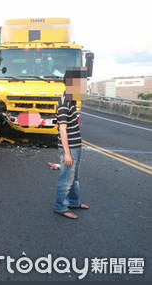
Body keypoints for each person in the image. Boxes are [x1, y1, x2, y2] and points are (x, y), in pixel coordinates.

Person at [54, 67, 89, 219]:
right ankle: (60, 207)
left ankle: (74, 202)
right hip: (69, 149)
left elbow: (74, 126)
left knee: (74, 178)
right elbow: (62, 130)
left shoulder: (72, 100)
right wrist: (67, 153)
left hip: (75, 146)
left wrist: (79, 146)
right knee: (66, 179)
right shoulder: (64, 103)